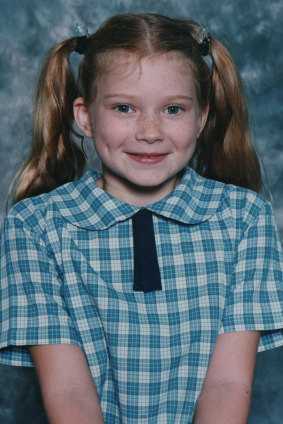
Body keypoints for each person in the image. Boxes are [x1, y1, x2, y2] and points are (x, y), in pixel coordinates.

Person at [0, 12, 282, 424]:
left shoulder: (244, 218)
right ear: (85, 116)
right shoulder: (36, 226)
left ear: (201, 117)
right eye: (124, 108)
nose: (150, 131)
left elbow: (226, 386)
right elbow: (69, 391)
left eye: (172, 109)